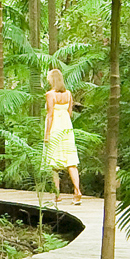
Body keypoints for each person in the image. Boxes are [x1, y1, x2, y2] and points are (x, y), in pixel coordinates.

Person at [43, 68, 82, 204]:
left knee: (54, 163)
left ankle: (57, 194)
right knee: (71, 161)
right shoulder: (68, 94)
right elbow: (69, 112)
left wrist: (47, 134)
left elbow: (50, 115)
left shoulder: (50, 94)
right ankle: (77, 191)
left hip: (55, 129)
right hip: (67, 129)